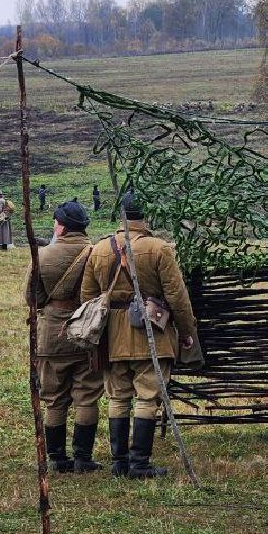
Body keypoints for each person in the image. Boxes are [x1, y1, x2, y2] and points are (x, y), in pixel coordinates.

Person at [80, 193, 197, 478]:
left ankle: (119, 463)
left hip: (112, 335)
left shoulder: (99, 249)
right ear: (147, 215)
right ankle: (139, 464)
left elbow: (88, 296)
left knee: (118, 397)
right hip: (151, 333)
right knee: (147, 397)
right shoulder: (160, 248)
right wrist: (186, 330)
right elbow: (176, 296)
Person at [26, 200, 103, 473]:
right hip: (87, 332)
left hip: (52, 335)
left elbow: (31, 297)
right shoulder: (97, 253)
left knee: (54, 397)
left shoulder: (43, 255)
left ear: (61, 227)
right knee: (87, 395)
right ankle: (83, 458)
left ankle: (57, 458)